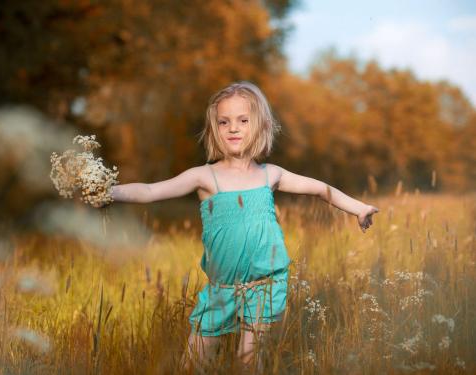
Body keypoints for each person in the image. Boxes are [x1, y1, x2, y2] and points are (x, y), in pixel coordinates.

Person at [108, 81, 379, 372]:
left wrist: (359, 208)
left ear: (260, 125)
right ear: (215, 129)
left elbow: (320, 189)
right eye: (224, 122)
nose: (233, 128)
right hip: (221, 289)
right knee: (193, 363)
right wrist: (108, 192)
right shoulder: (204, 176)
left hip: (265, 284)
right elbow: (150, 191)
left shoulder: (270, 175)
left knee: (249, 363)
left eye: (243, 120)